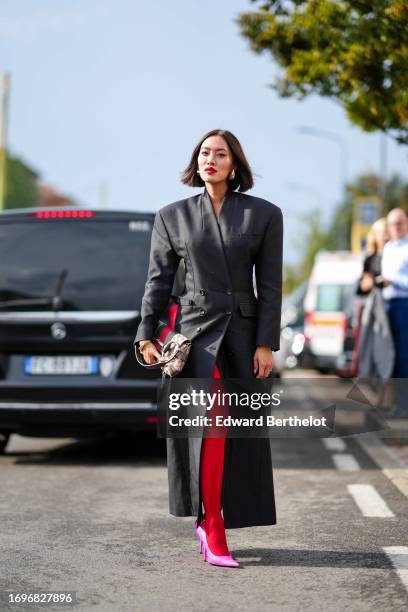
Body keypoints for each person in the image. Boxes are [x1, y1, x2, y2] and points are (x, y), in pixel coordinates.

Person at [133, 128, 283, 568]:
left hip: (242, 333)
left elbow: (270, 286)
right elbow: (158, 282)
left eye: (220, 153)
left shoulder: (264, 214)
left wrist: (265, 344)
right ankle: (211, 523)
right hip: (195, 338)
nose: (210, 159)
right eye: (204, 152)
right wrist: (145, 332)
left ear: (234, 164)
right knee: (209, 425)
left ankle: (216, 517)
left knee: (235, 434)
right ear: (195, 162)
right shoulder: (171, 215)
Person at [381, 208, 408, 390]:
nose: (396, 227)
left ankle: (403, 404)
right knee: (388, 355)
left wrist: (393, 281)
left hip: (403, 304)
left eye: (400, 223)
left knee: (403, 354)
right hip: (386, 305)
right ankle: (392, 401)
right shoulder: (388, 248)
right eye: (392, 224)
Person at [357, 218, 389, 296]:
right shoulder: (370, 259)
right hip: (378, 300)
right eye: (381, 233)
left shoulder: (398, 255)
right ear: (374, 236)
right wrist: (373, 281)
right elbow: (362, 287)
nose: (385, 237)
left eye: (387, 232)